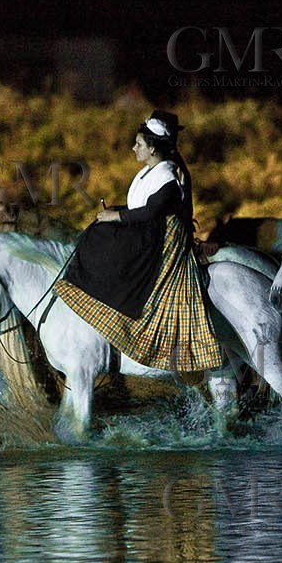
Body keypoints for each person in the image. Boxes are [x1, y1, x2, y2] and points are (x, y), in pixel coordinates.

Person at [53, 110, 224, 372]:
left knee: (105, 241)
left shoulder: (168, 175)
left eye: (139, 144)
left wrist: (116, 216)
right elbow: (140, 205)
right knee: (97, 232)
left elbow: (150, 211)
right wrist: (113, 215)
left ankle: (121, 307)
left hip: (160, 237)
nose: (134, 148)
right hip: (147, 228)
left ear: (153, 148)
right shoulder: (150, 170)